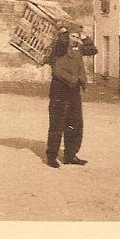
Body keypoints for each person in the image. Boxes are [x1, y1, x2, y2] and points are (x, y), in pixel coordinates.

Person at [45, 27, 98, 168]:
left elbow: (93, 50)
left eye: (77, 37)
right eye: (73, 36)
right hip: (59, 90)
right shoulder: (59, 48)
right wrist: (63, 33)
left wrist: (85, 37)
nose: (75, 39)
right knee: (57, 124)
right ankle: (51, 157)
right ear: (66, 37)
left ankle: (70, 155)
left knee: (75, 123)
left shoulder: (78, 48)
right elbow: (57, 71)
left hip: (74, 90)